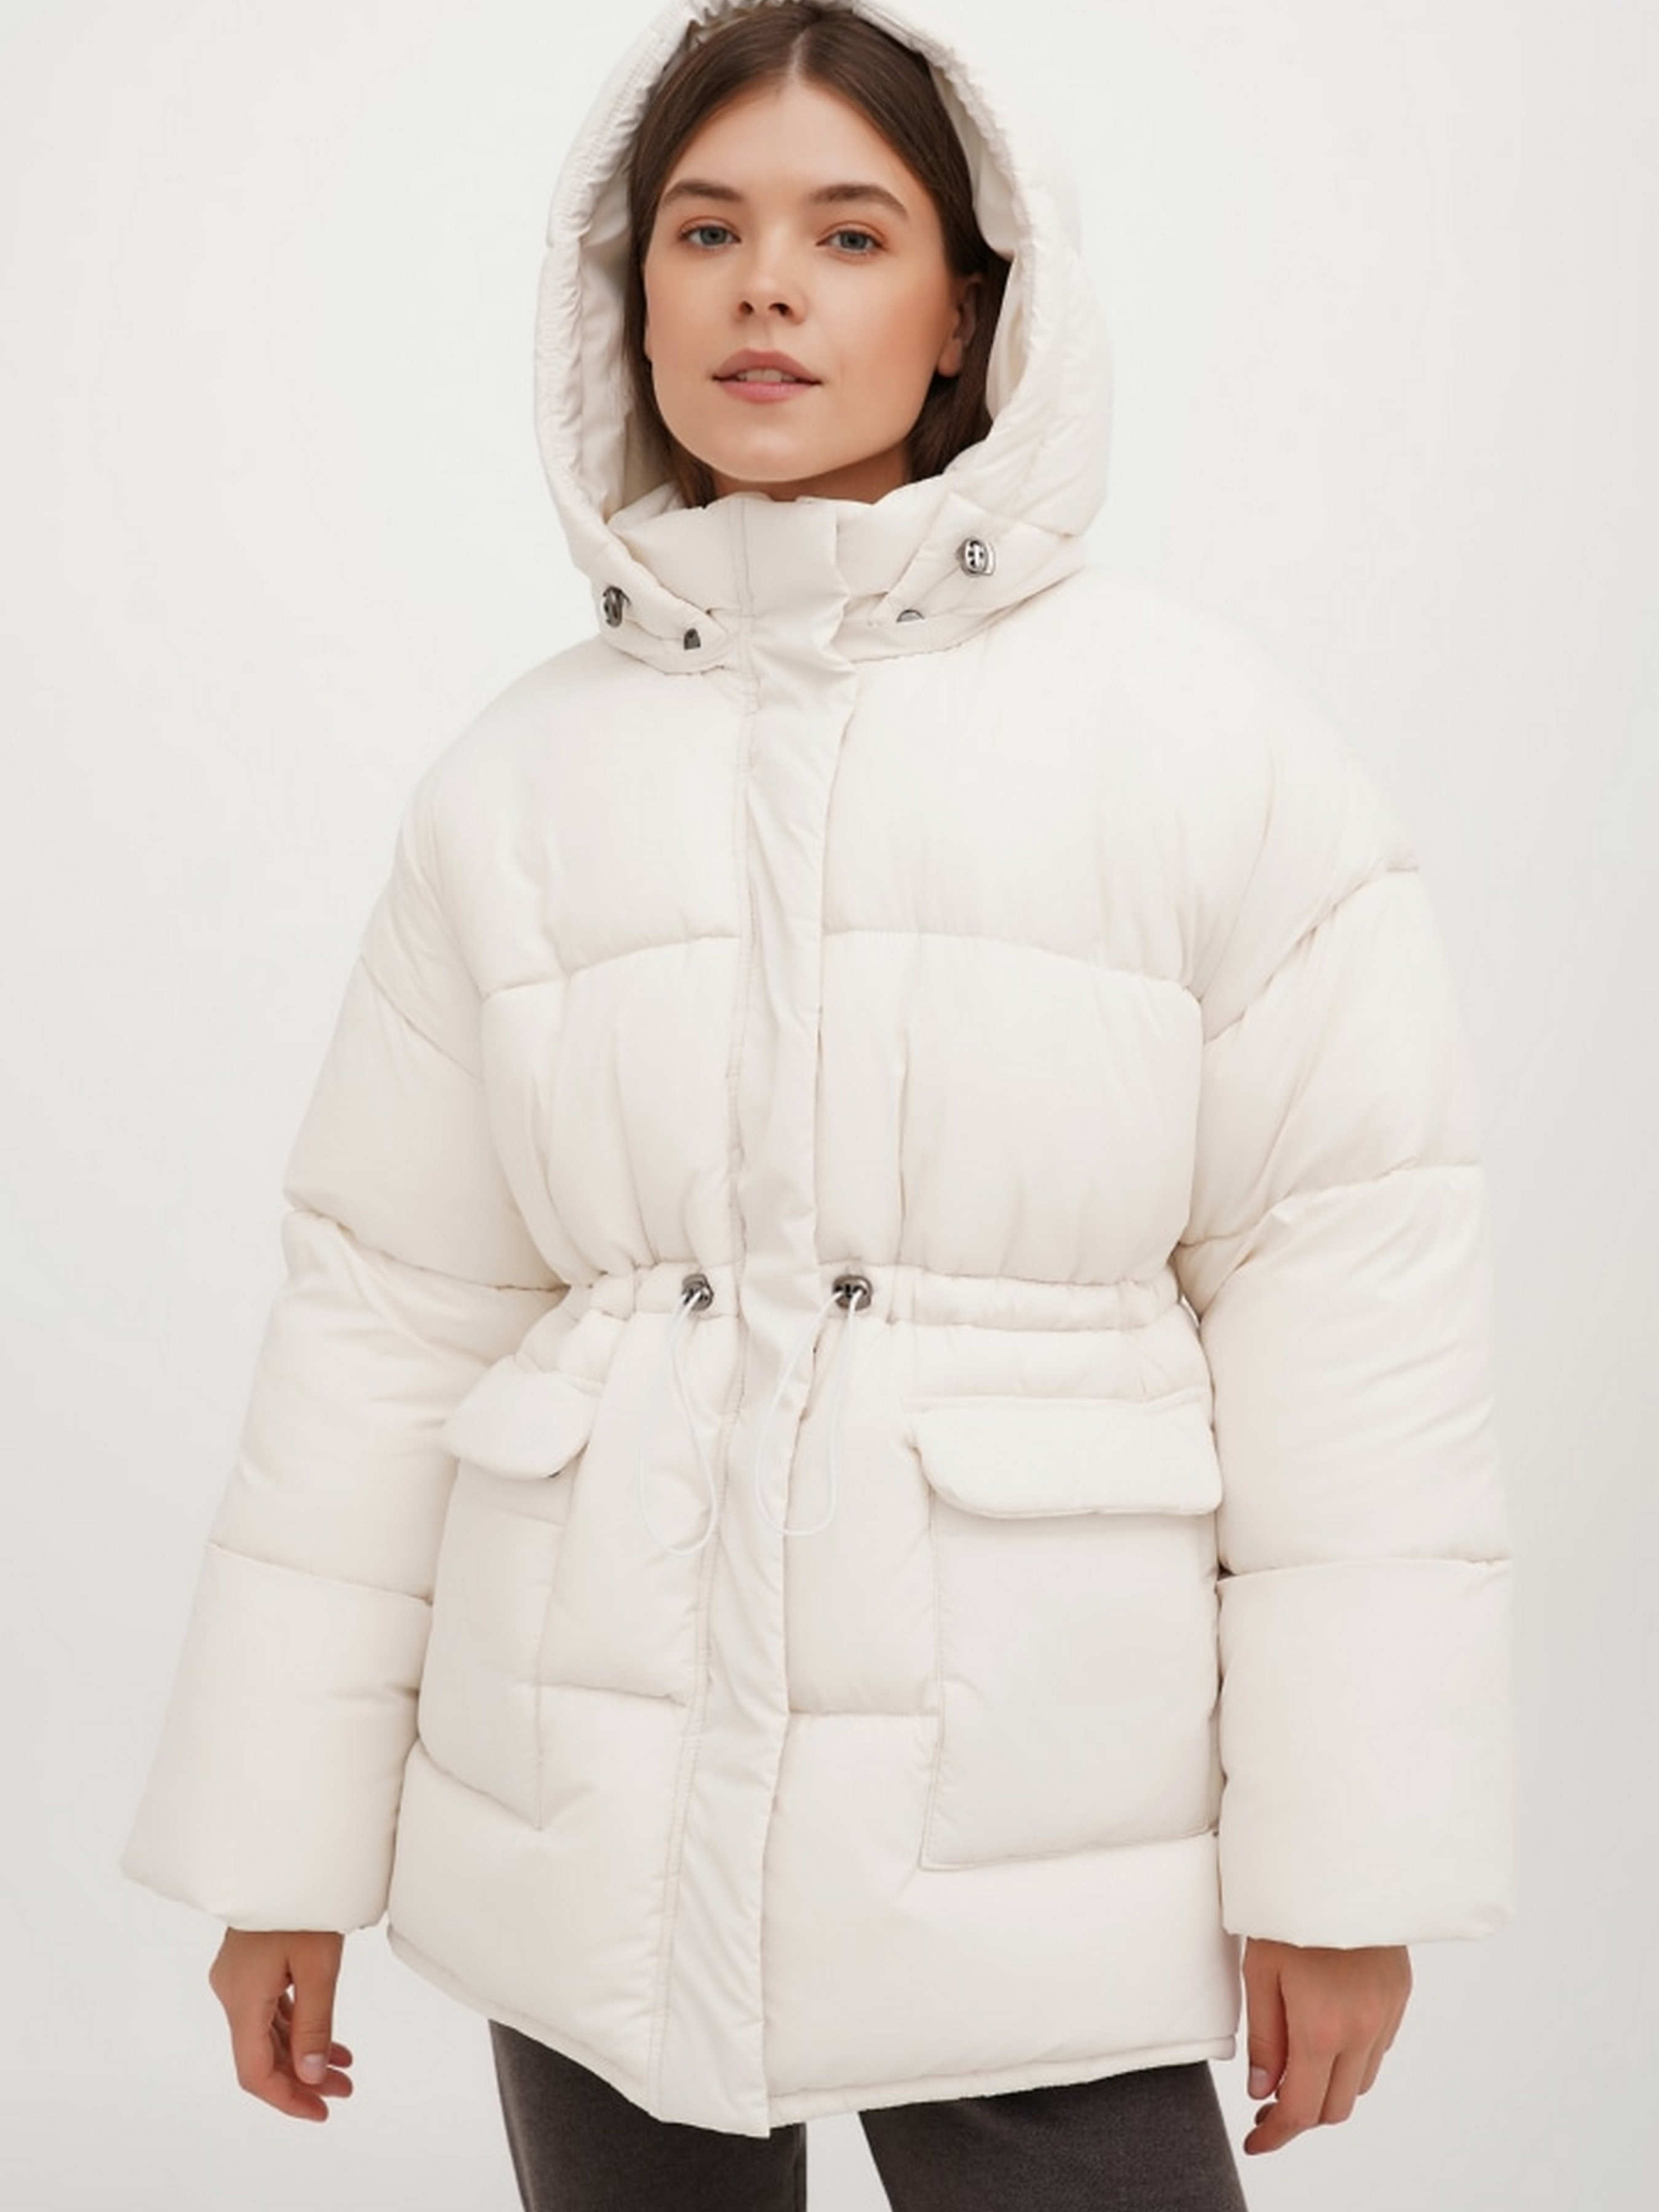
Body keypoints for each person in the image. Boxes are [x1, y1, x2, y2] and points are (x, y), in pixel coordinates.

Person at [119, 1, 1520, 2205]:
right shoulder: (513, 785)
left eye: (849, 233)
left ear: (966, 310)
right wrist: (277, 1850)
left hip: (1033, 1819)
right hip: (595, 1819)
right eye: (706, 230)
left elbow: (1351, 1316)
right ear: (630, 291)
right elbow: (381, 1319)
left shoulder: (1199, 746)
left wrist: (1344, 1864)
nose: (764, 286)